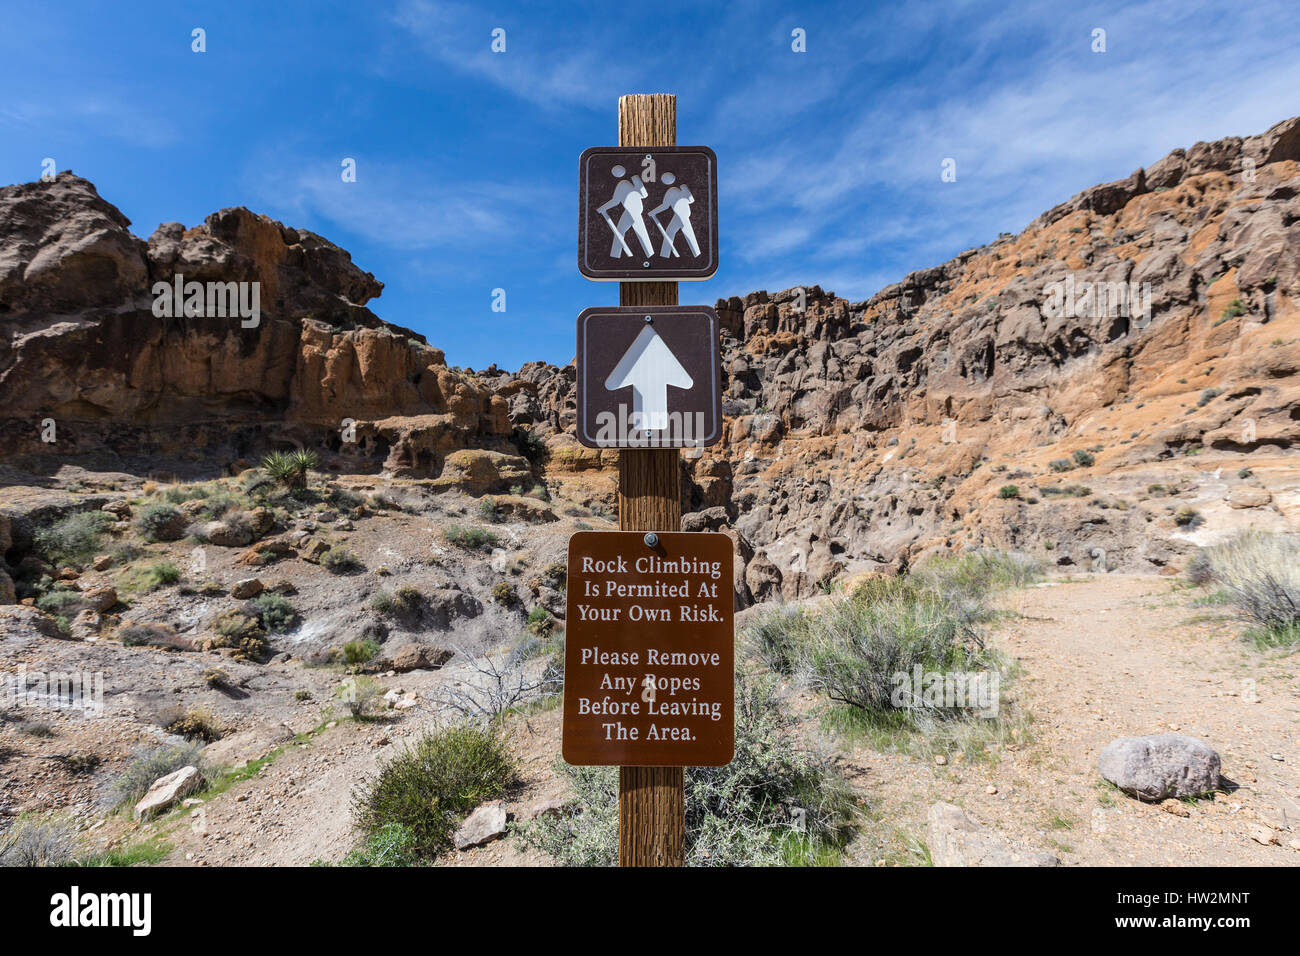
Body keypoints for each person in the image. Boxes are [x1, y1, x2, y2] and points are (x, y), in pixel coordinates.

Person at [597, 165, 654, 258]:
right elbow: (615, 201)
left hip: (635, 211)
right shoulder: (622, 185)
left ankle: (650, 255)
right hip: (629, 211)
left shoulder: (631, 184)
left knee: (640, 232)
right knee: (621, 231)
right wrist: (603, 208)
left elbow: (644, 195)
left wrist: (636, 179)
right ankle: (615, 256)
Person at [648, 171, 700, 258]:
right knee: (670, 232)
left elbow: (691, 200)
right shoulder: (670, 192)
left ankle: (696, 254)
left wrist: (685, 188)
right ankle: (665, 255)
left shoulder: (679, 191)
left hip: (683, 214)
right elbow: (665, 206)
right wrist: (653, 212)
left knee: (688, 233)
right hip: (678, 214)